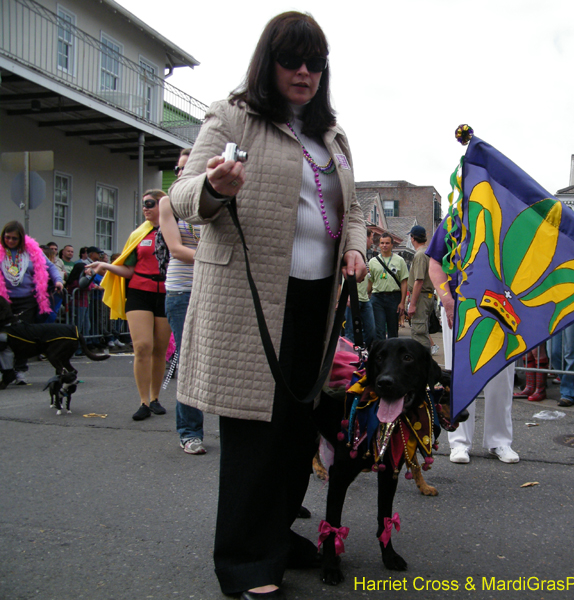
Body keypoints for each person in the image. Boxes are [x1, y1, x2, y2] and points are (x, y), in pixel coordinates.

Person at [167, 12, 367, 599]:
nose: (304, 72)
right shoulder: (234, 117)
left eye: (315, 62)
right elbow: (182, 196)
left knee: (299, 433)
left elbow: (352, 210)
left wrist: (354, 250)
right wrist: (215, 186)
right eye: (291, 60)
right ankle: (246, 564)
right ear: (269, 63)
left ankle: (275, 536)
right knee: (257, 434)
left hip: (314, 300)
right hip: (249, 298)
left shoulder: (332, 135)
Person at [427, 224, 518, 464]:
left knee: (501, 376)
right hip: (460, 308)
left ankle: (500, 440)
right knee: (461, 375)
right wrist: (446, 299)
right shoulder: (452, 221)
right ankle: (458, 442)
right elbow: (435, 262)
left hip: (502, 307)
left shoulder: (506, 212)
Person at [89, 191, 171, 421]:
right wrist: (105, 266)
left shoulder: (175, 229)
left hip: (166, 293)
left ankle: (155, 398)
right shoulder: (138, 233)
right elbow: (128, 269)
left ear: (163, 204)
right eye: (143, 204)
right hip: (139, 293)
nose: (145, 208)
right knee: (143, 346)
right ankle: (143, 401)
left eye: (150, 204)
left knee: (159, 350)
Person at [160, 150, 207, 455]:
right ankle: (189, 432)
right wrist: (215, 257)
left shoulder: (213, 203)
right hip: (182, 291)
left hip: (214, 289)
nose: (179, 175)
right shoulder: (168, 203)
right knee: (189, 360)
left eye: (186, 169)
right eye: (177, 169)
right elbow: (176, 249)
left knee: (220, 360)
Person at [0, 221, 64, 383]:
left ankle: (20, 370)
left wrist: (58, 281)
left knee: (21, 336)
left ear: (21, 238)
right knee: (3, 336)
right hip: (3, 302)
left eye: (14, 238)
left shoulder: (32, 252)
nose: (10, 241)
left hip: (27, 301)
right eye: (7, 238)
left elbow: (50, 267)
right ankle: (6, 370)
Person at [368, 232, 408, 339]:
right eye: (382, 243)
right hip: (377, 298)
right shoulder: (372, 262)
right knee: (379, 330)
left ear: (392, 245)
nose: (384, 245)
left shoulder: (399, 261)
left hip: (393, 297)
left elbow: (404, 281)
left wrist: (402, 302)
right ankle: (381, 354)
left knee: (393, 329)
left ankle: (393, 354)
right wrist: (366, 297)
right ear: (379, 245)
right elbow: (370, 282)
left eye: (387, 243)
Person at [406, 225, 435, 351]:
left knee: (419, 332)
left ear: (413, 238)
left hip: (421, 297)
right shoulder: (429, 253)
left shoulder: (420, 255)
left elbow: (419, 281)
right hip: (427, 296)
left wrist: (412, 304)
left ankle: (422, 366)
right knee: (423, 329)